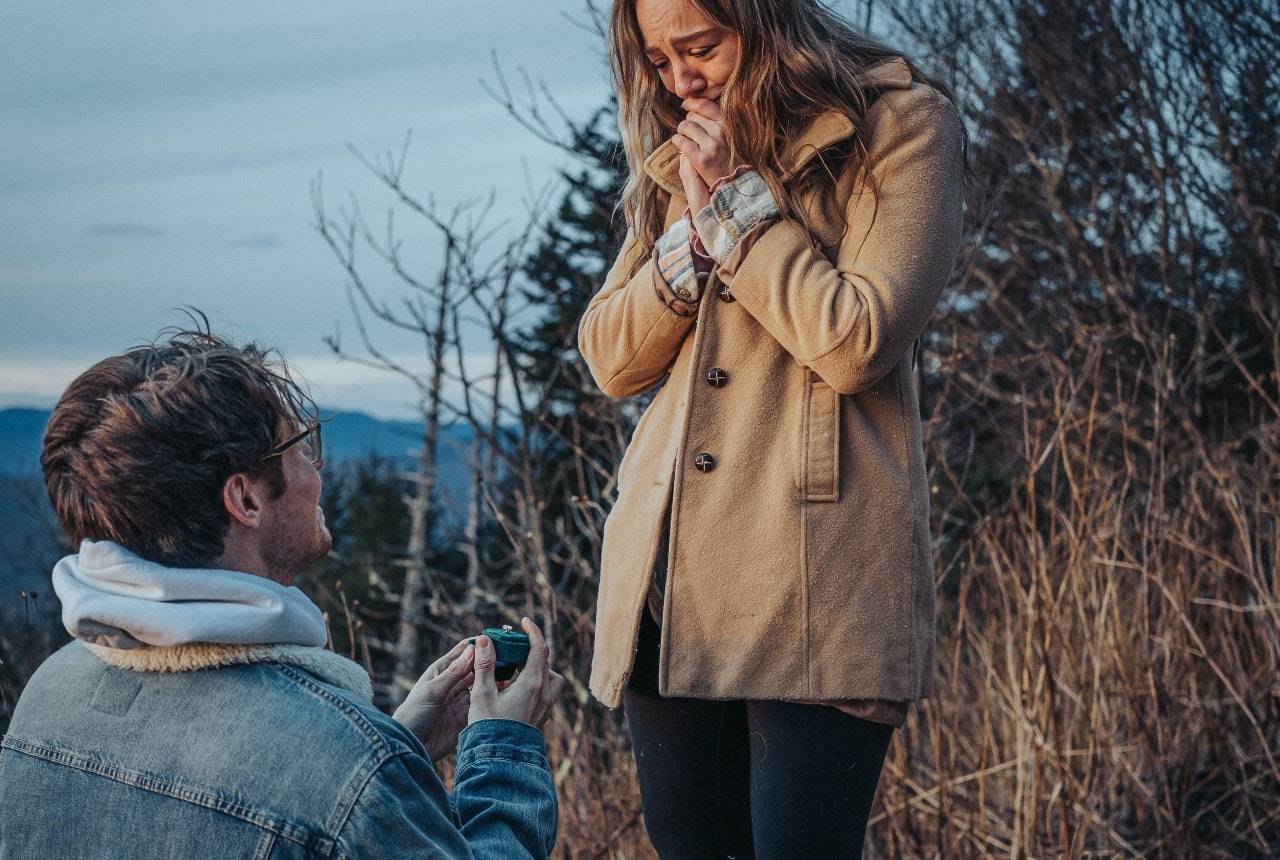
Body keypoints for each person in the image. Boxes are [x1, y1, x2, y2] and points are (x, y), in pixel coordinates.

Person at [578, 0, 966, 855]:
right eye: (658, 57)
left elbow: (859, 339)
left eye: (701, 47)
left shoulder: (900, 126)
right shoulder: (684, 147)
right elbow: (610, 356)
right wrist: (691, 237)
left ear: (767, 20)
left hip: (813, 569)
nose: (679, 79)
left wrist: (739, 208)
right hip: (665, 579)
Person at [0, 323, 565, 859]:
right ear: (244, 499)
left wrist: (397, 740)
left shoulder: (49, 693)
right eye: (299, 446)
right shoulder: (351, 770)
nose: (317, 468)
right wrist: (502, 748)